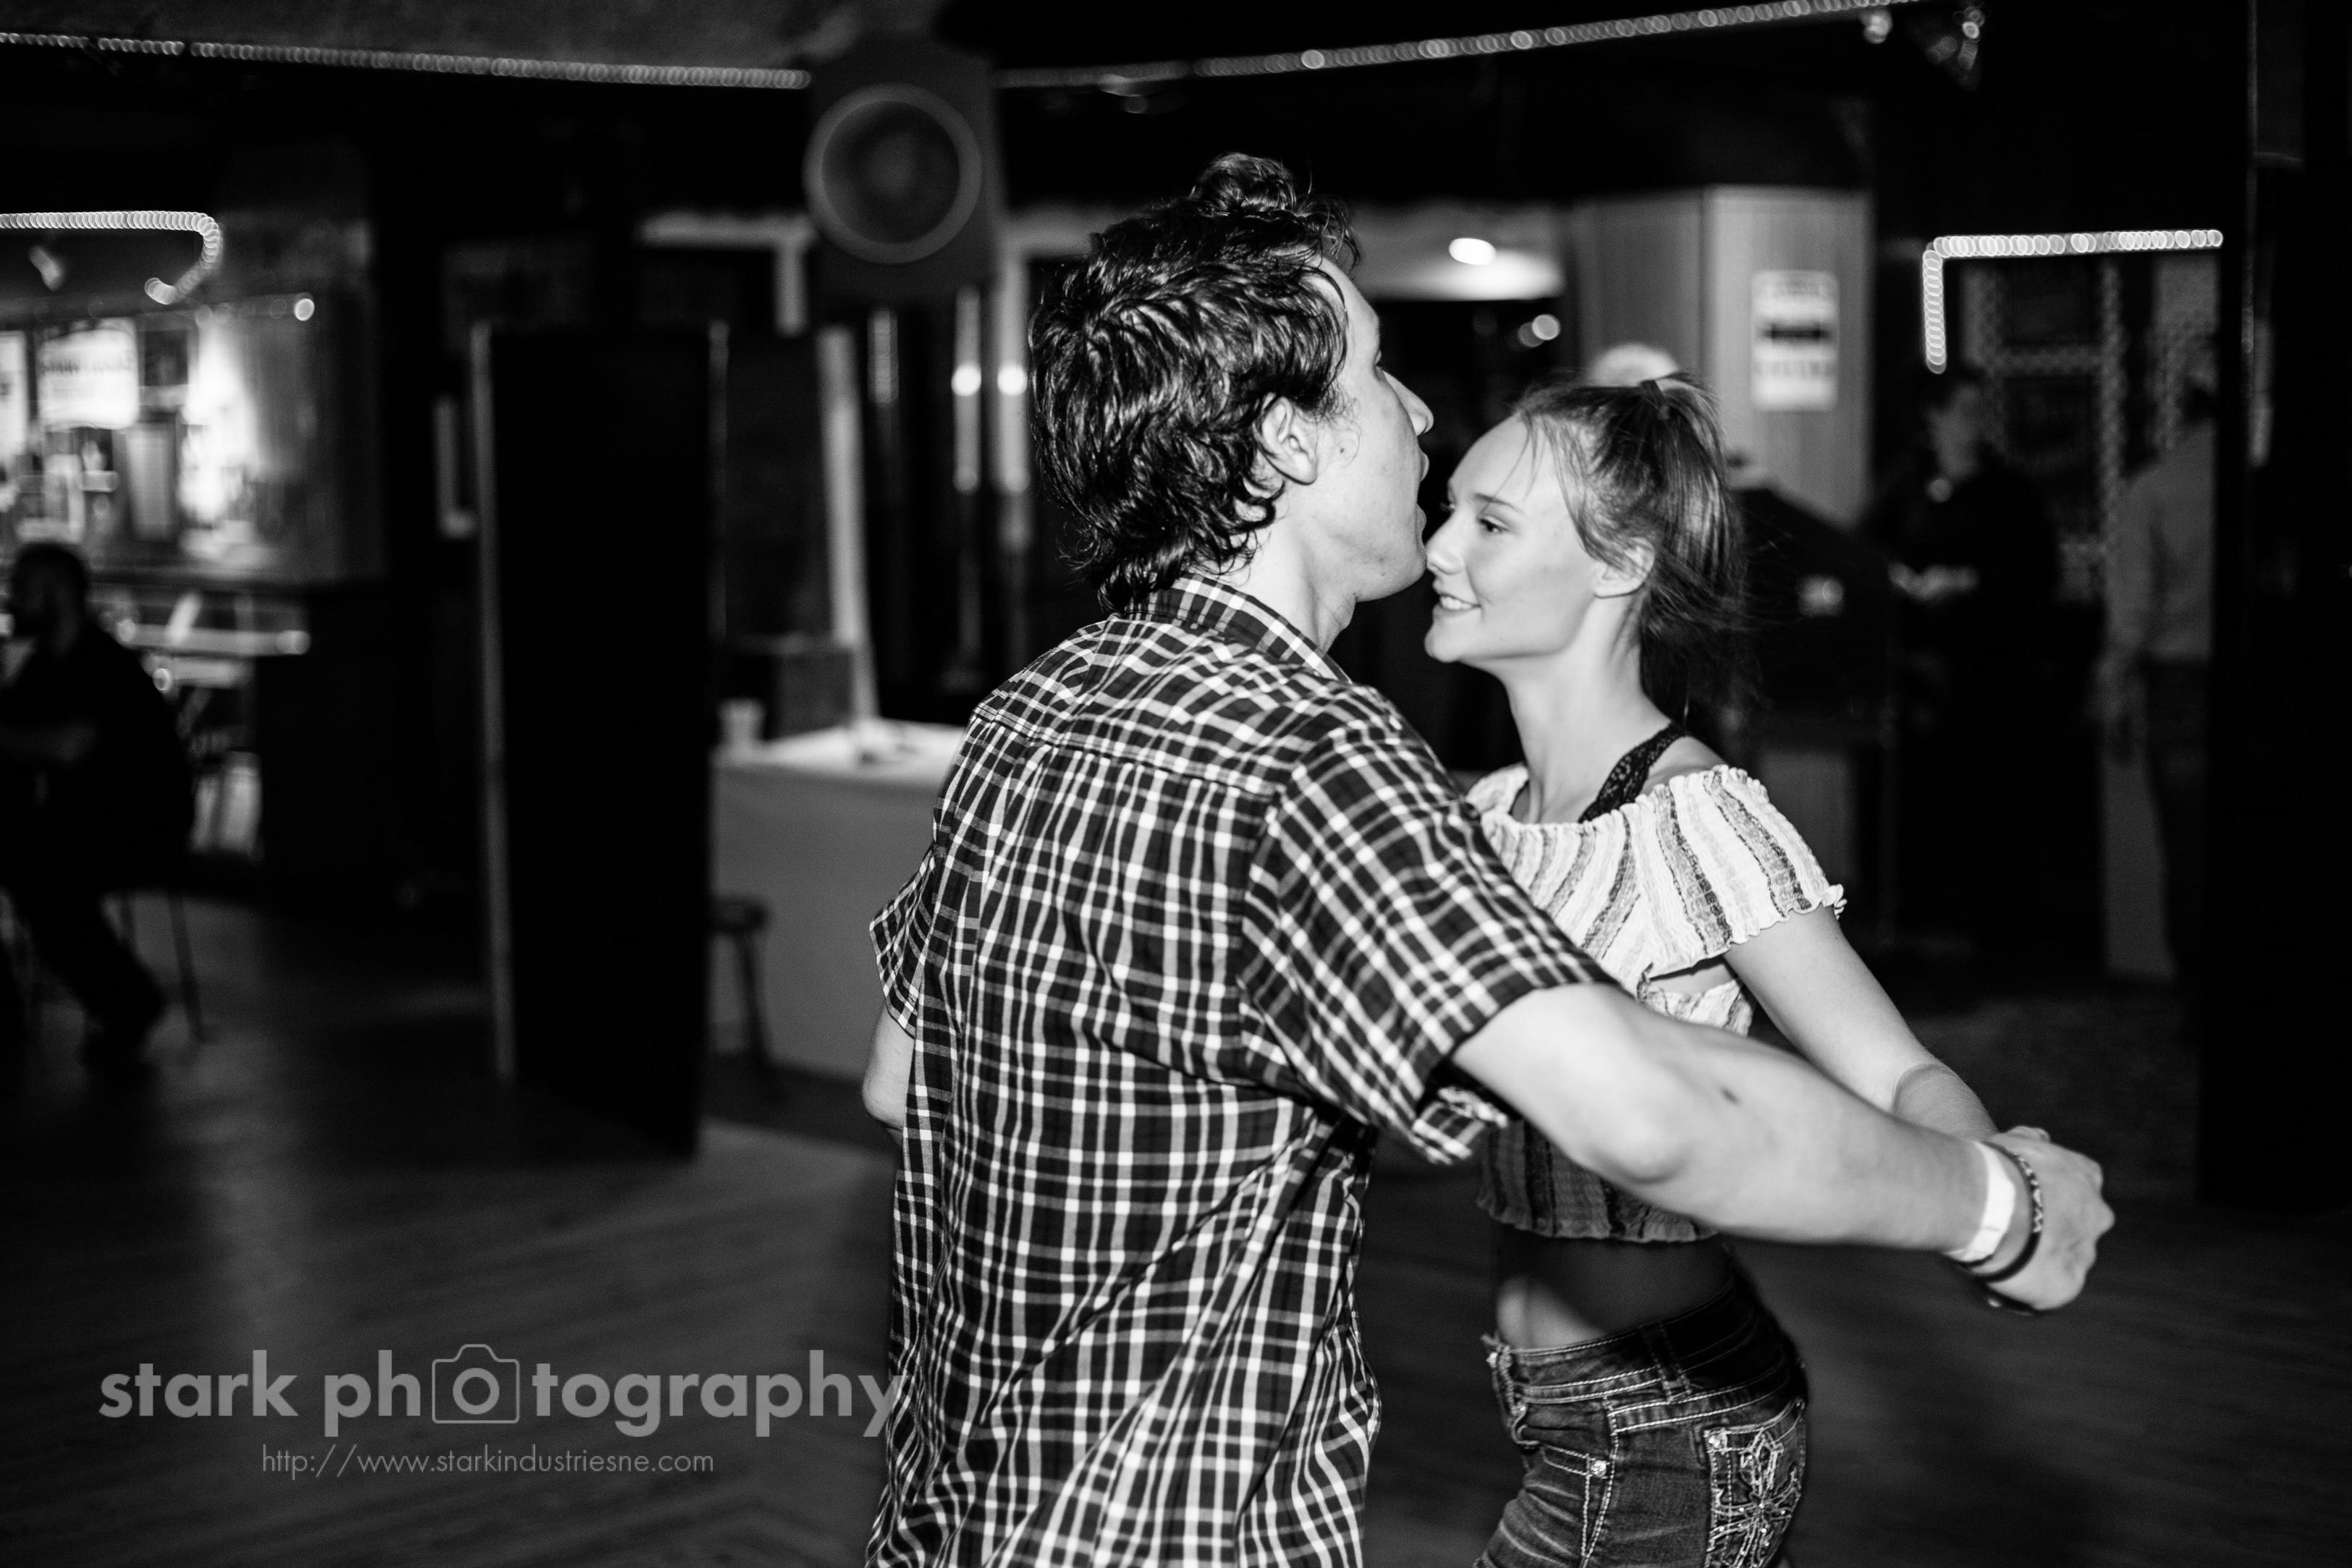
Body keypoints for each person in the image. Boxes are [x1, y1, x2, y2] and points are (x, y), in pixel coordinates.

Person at [860, 156, 2109, 1568]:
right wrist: (1995, 1208)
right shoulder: (1313, 754)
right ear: (1284, 441)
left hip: (961, 1513)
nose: (1415, 411)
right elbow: (1649, 1114)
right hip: (1175, 1527)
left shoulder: (1033, 706)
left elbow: (901, 1079)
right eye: (1378, 371)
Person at [1424, 375, 2001, 1567]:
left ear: (1619, 563)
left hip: (1669, 1435)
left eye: (1488, 522)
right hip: (1555, 1416)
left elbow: (1898, 1077)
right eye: (1446, 511)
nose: (1437, 547)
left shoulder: (1693, 816)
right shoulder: (1485, 817)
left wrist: (1999, 1207)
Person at [1861, 368, 2058, 954]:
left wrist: (1968, 581)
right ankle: (1918, 924)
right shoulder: (1907, 483)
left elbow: (2036, 574)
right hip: (1920, 674)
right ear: (1935, 416)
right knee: (1921, 804)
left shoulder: (2010, 490)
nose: (1978, 423)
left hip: (1993, 674)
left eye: (1983, 410)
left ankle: (1997, 935)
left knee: (1994, 803)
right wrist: (1899, 578)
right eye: (1966, 410)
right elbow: (1864, 549)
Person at [0, 543, 193, 1078]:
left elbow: (68, 746)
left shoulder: (103, 665)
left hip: (142, 828)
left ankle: (128, 1003)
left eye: (22, 588)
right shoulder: (45, 665)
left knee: (40, 874)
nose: (12, 599)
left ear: (57, 591)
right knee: (29, 859)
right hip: (82, 824)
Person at [2097, 376, 2215, 1004]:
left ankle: (2196, 998)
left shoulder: (2156, 487)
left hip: (2178, 680)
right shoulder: (2264, 486)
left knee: (2189, 849)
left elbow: (2134, 612)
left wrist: (2112, 688)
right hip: (2260, 678)